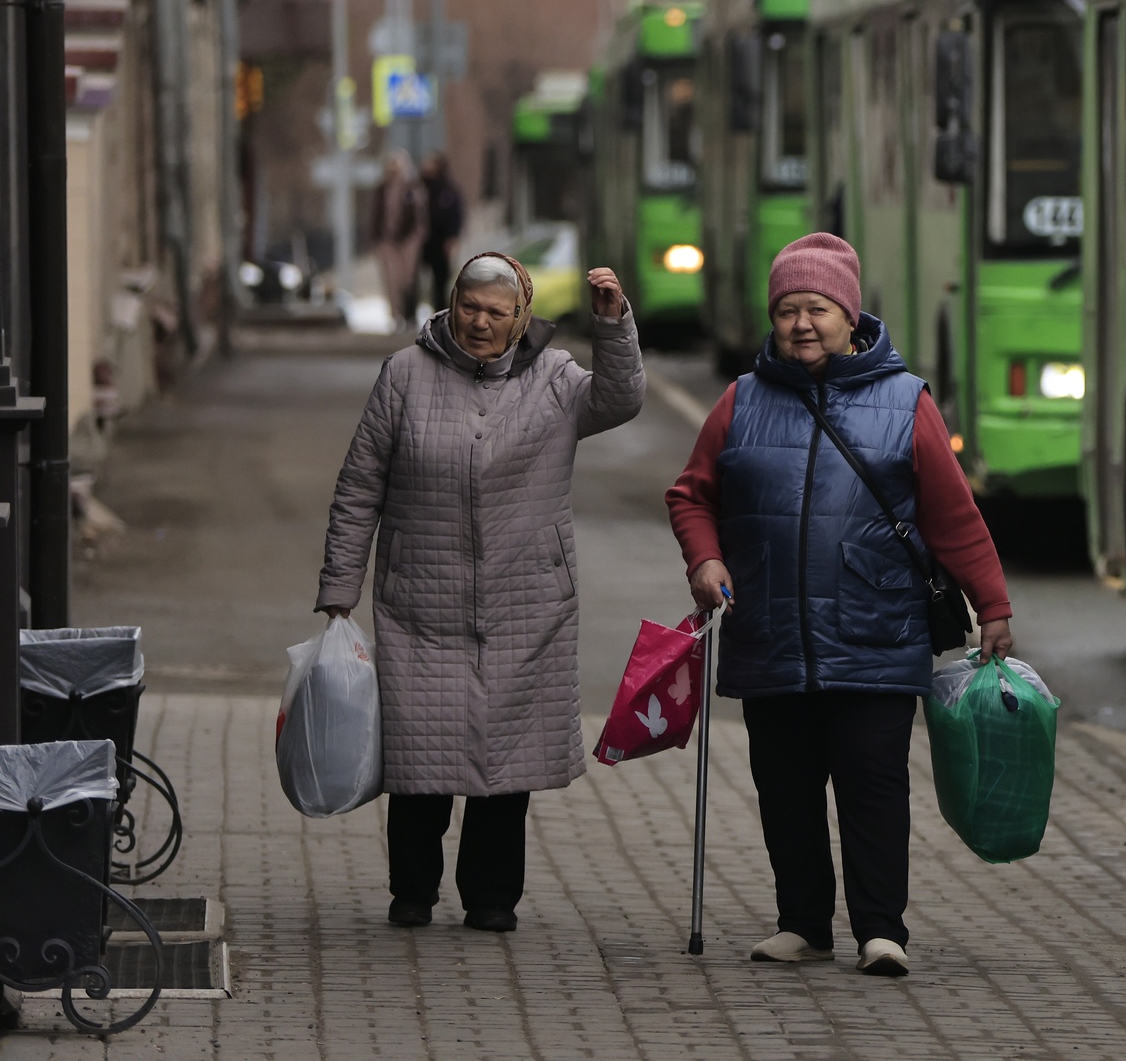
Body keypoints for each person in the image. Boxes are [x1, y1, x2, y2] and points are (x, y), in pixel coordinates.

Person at [665, 231, 1012, 976]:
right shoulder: (742, 401)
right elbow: (692, 495)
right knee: (785, 790)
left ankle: (882, 930)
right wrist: (706, 558)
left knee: (873, 788)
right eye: (787, 310)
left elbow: (954, 517)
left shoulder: (904, 400)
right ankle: (803, 924)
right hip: (772, 636)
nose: (801, 325)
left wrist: (995, 607)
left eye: (816, 308)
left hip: (878, 632)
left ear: (849, 316)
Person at [316, 252, 644, 932]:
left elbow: (619, 399)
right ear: (451, 303)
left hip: (527, 601)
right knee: (419, 760)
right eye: (470, 305)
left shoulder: (554, 377)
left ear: (520, 317)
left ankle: (492, 897)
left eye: (497, 312)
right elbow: (359, 486)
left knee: (506, 760)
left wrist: (612, 326)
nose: (480, 322)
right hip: (420, 601)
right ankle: (413, 890)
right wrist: (339, 586)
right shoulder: (405, 374)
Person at [369, 150, 428, 326]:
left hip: (407, 239)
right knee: (390, 280)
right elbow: (376, 214)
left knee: (407, 279)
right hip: (386, 240)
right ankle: (396, 315)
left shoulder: (412, 187)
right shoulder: (382, 189)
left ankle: (409, 313)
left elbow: (417, 214)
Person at [418, 152, 466, 318]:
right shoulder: (419, 189)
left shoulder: (448, 191)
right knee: (414, 280)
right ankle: (410, 313)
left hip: (440, 241)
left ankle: (439, 314)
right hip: (420, 241)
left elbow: (456, 216)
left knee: (440, 280)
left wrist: (452, 238)